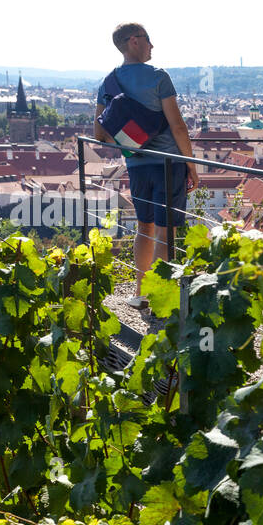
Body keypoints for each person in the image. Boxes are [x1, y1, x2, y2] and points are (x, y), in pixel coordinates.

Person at [94, 23, 198, 310]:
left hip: (136, 166)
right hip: (167, 165)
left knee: (144, 228)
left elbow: (98, 133)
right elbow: (178, 126)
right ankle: (162, 296)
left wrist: (133, 140)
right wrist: (191, 165)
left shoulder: (109, 82)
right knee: (166, 231)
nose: (153, 46)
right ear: (135, 42)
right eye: (149, 40)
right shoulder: (159, 77)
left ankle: (140, 292)